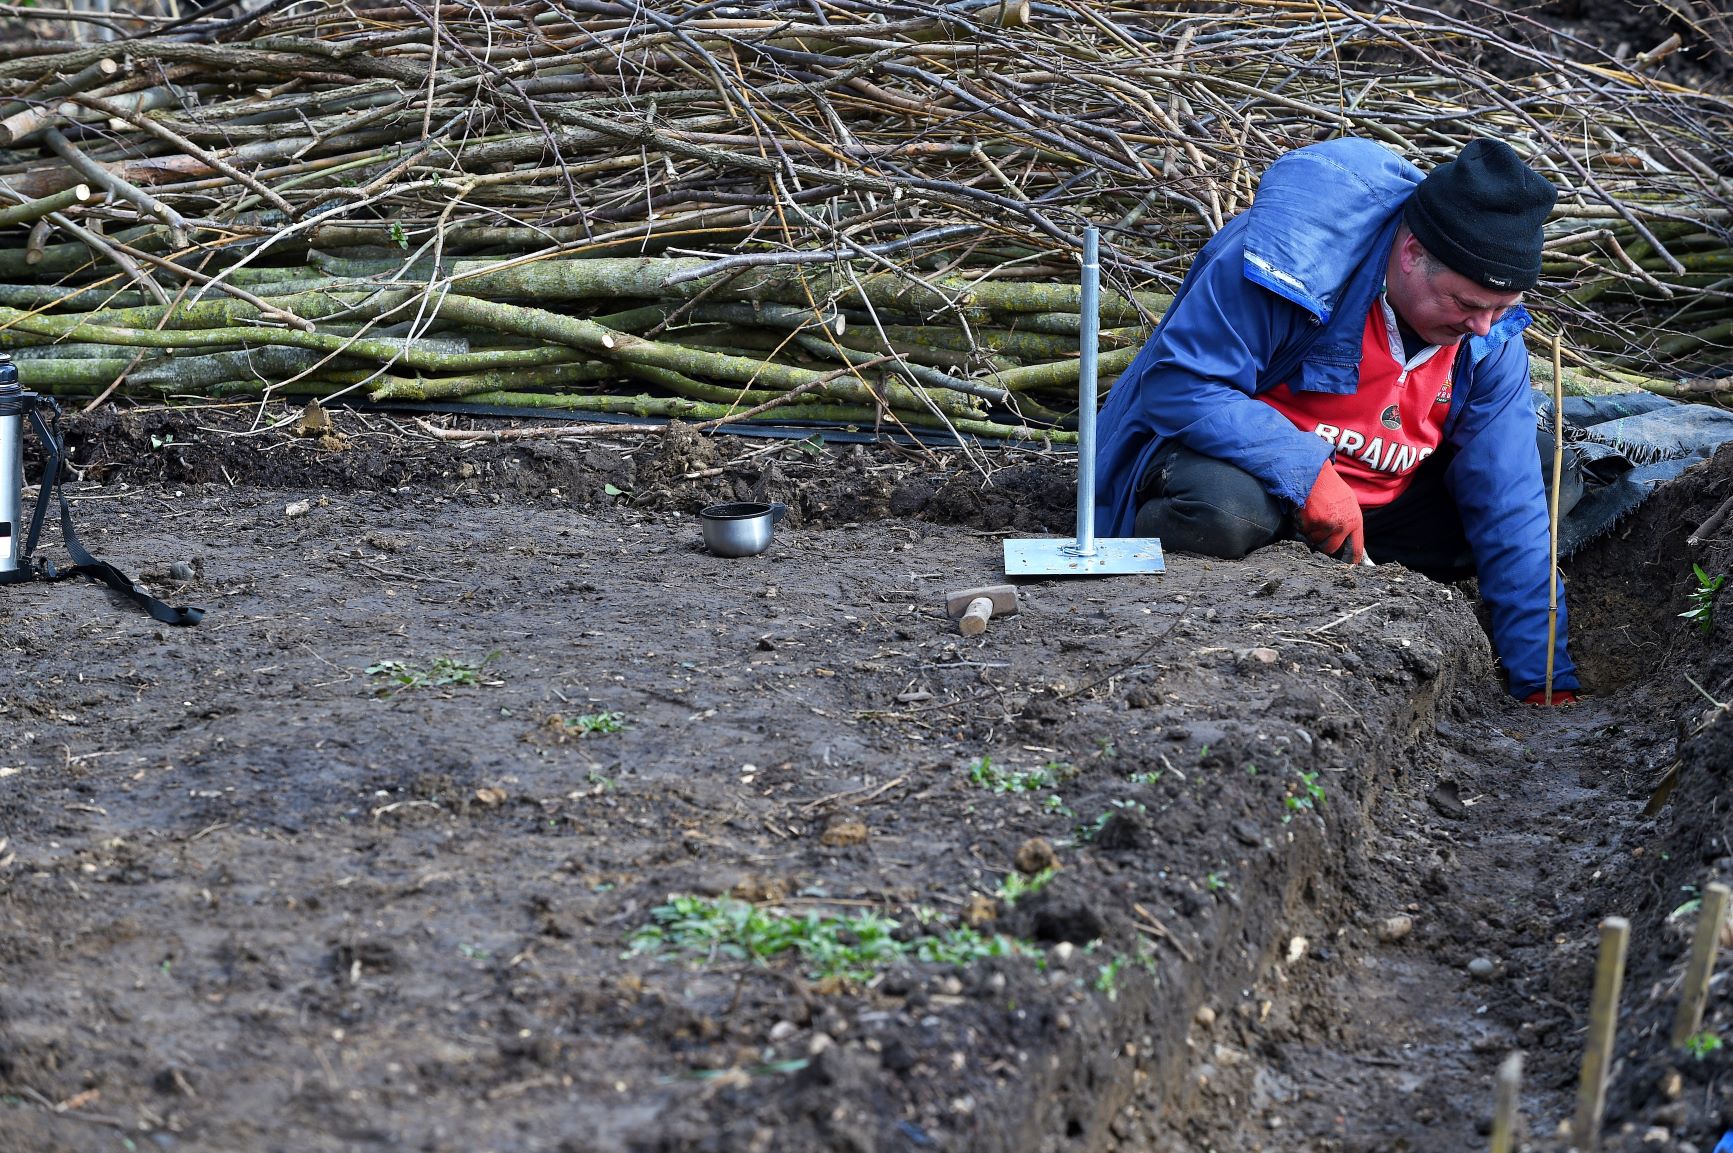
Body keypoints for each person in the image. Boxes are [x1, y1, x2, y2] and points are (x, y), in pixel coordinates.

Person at [1094, 137, 1578, 705]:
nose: (1482, 327)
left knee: (1545, 480)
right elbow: (1181, 385)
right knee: (1226, 512)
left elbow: (1508, 497)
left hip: (1376, 512)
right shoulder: (1286, 264)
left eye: (1501, 308)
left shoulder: (1489, 338)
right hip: (1243, 475)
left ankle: (1364, 574)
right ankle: (1224, 555)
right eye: (1465, 304)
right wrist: (1308, 472)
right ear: (1411, 253)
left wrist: (1544, 678)